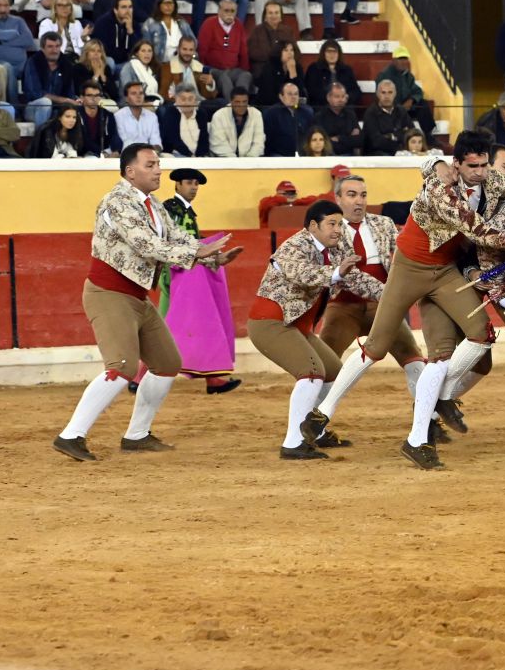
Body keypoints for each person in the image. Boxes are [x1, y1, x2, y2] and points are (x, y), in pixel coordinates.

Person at [307, 133, 505, 470]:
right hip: (409, 268)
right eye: (473, 166)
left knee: (481, 333)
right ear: (457, 165)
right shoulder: (440, 189)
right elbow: (480, 232)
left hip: (446, 273)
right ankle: (322, 413)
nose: (481, 172)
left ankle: (440, 399)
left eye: (484, 165)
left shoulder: (492, 178)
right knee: (377, 345)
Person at [51, 143, 236, 462]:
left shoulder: (152, 204)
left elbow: (176, 237)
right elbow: (147, 245)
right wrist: (197, 253)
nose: (158, 170)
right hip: (109, 293)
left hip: (137, 295)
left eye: (158, 164)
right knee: (121, 365)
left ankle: (137, 435)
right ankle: (71, 435)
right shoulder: (117, 201)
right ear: (130, 171)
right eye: (150, 165)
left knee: (166, 363)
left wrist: (212, 258)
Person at [317, 175, 428, 446]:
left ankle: (428, 422)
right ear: (338, 199)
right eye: (352, 195)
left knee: (415, 362)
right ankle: (315, 428)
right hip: (344, 306)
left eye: (363, 195)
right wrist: (392, 296)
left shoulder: (384, 223)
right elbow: (348, 276)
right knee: (324, 366)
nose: (359, 201)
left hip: (381, 308)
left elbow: (404, 257)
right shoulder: (330, 228)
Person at [247, 200, 361, 458]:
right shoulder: (293, 246)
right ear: (313, 226)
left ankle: (314, 432)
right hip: (271, 323)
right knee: (311, 372)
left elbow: (354, 279)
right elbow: (301, 273)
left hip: (299, 327)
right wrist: (335, 273)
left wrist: (389, 295)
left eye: (340, 224)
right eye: (331, 224)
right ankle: (293, 443)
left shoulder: (334, 249)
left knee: (334, 372)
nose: (337, 230)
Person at [159, 166, 242, 395]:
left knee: (179, 324)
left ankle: (213, 378)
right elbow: (173, 240)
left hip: (186, 269)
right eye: (189, 183)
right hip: (175, 270)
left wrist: (212, 251)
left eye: (196, 184)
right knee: (165, 326)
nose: (194, 187)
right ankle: (139, 376)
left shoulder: (186, 210)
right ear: (177, 184)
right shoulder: (171, 209)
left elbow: (192, 242)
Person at [375, 48, 436, 143]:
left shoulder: (408, 75)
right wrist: (400, 107)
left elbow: (417, 91)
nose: (404, 62)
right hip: (392, 109)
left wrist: (411, 100)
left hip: (407, 108)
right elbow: (383, 96)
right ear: (394, 60)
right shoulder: (384, 75)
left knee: (422, 104)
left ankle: (428, 135)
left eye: (405, 59)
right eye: (401, 59)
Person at [197, 0, 252, 99]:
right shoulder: (208, 24)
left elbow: (243, 52)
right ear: (219, 11)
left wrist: (244, 70)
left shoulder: (238, 25)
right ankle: (232, 107)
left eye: (232, 11)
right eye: (226, 10)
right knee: (224, 78)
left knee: (245, 76)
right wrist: (203, 71)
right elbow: (202, 51)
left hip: (232, 70)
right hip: (213, 69)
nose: (230, 14)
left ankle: (242, 104)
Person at [23, 32, 76, 127]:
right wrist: (63, 100)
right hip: (34, 107)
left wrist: (73, 101)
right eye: (50, 46)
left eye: (57, 46)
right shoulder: (33, 62)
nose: (54, 50)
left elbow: (70, 93)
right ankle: (41, 139)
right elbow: (35, 93)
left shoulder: (66, 64)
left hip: (58, 109)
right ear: (42, 48)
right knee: (45, 103)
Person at [158, 35, 218, 103]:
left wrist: (210, 84)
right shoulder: (167, 68)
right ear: (178, 49)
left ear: (194, 51)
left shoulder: (199, 67)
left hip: (198, 103)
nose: (188, 53)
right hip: (178, 104)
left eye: (191, 50)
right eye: (184, 49)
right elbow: (164, 94)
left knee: (221, 102)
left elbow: (208, 96)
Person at [0, 0, 33, 109]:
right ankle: (15, 109)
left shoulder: (18, 21)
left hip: (20, 67)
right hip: (1, 67)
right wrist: (13, 36)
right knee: (6, 68)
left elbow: (29, 41)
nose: (3, 10)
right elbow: (22, 40)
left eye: (6, 5)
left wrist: (2, 41)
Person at [362, 79, 415, 156]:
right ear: (377, 94)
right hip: (377, 154)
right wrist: (399, 138)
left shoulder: (401, 110)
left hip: (400, 152)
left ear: (395, 94)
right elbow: (376, 142)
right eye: (383, 92)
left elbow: (411, 133)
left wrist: (390, 136)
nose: (387, 96)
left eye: (390, 92)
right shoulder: (371, 113)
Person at [248, 1, 297, 82]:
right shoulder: (257, 31)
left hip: (284, 67)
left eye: (276, 13)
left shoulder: (287, 30)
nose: (274, 16)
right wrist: (278, 57)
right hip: (264, 69)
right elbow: (253, 53)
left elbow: (296, 51)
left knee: (296, 69)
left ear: (281, 15)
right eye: (270, 13)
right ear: (265, 16)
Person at [305, 38, 361, 109]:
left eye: (335, 52)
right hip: (321, 107)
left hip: (343, 106)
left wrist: (347, 97)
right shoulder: (314, 69)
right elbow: (311, 91)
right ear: (323, 53)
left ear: (339, 54)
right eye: (329, 51)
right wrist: (330, 98)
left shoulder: (346, 70)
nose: (332, 54)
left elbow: (356, 91)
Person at [262, 82, 314, 157]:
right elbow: (268, 140)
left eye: (296, 94)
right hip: (278, 155)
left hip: (303, 155)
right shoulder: (271, 113)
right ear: (281, 96)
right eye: (289, 94)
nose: (293, 97)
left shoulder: (307, 112)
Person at [141, 0, 195, 64]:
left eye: (171, 3)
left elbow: (194, 42)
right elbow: (145, 46)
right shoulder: (150, 23)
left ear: (174, 6)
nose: (168, 6)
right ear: (159, 5)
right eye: (165, 3)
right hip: (159, 63)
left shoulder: (182, 23)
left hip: (182, 62)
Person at [158, 85, 210, 157]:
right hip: (175, 154)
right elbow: (173, 139)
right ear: (176, 100)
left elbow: (204, 138)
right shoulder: (170, 112)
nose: (187, 103)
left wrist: (198, 156)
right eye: (183, 99)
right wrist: (190, 155)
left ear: (195, 100)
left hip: (197, 156)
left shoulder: (201, 114)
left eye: (190, 99)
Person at [92, 0, 141, 69]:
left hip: (127, 62)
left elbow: (139, 49)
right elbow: (103, 49)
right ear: (115, 10)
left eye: (130, 7)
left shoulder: (134, 24)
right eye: (124, 7)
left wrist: (130, 31)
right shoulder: (103, 23)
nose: (128, 11)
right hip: (109, 61)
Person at [314, 83, 362, 155]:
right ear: (328, 98)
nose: (341, 100)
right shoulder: (320, 116)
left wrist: (339, 138)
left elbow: (359, 140)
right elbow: (324, 143)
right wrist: (349, 138)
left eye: (343, 96)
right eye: (337, 97)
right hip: (328, 156)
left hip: (349, 155)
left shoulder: (350, 114)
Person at [78, 78, 122, 157]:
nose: (94, 99)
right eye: (89, 95)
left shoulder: (107, 114)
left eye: (97, 95)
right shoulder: (76, 114)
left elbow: (114, 135)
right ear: (82, 97)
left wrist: (117, 151)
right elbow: (83, 140)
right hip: (83, 153)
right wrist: (101, 154)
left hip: (105, 152)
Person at [256, 40, 306, 107]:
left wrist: (293, 73)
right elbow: (268, 93)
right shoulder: (270, 67)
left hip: (294, 106)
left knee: (307, 111)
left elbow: (300, 92)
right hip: (272, 105)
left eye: (291, 50)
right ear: (279, 52)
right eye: (286, 50)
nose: (290, 53)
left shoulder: (297, 67)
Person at [115, 82, 162, 149]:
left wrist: (156, 149)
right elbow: (124, 142)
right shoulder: (118, 116)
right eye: (134, 93)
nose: (138, 96)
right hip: (128, 154)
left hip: (148, 153)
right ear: (126, 98)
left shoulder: (152, 116)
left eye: (141, 93)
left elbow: (156, 141)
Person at [118, 40, 163, 107]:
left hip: (150, 103)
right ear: (136, 53)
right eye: (143, 51)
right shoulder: (128, 68)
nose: (147, 54)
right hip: (130, 105)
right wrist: (144, 104)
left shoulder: (152, 70)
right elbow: (127, 91)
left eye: (149, 51)